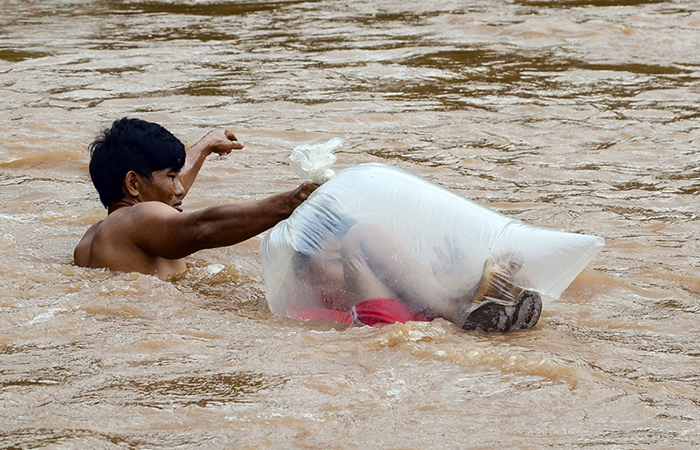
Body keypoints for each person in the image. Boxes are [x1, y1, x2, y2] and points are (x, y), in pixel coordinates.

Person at [74, 117, 317, 279]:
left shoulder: (93, 237)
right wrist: (294, 200)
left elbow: (164, 197)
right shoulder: (136, 218)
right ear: (133, 184)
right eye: (171, 176)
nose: (180, 189)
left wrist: (207, 145)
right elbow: (202, 227)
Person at [289, 217, 542, 332]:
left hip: (421, 328)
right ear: (305, 277)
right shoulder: (304, 316)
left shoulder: (392, 292)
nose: (351, 272)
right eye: (339, 260)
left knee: (517, 283)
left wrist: (449, 279)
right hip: (378, 330)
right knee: (363, 234)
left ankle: (467, 302)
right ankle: (458, 307)